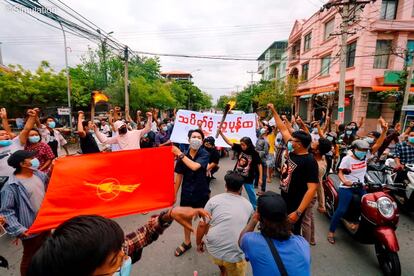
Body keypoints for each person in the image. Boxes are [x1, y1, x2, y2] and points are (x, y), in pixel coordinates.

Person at [27, 207, 211, 276]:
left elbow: (143, 235)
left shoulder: (109, 251)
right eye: (115, 261)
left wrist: (168, 215)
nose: (125, 256)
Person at [327, 120, 387, 244]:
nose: (364, 152)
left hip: (361, 186)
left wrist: (385, 131)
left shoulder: (365, 156)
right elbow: (340, 173)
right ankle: (331, 232)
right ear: (354, 149)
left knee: (368, 206)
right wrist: (345, 181)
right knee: (341, 210)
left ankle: (357, 223)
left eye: (365, 150)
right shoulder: (347, 159)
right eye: (361, 150)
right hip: (347, 187)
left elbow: (379, 145)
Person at [268, 103, 319, 235]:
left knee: (291, 231)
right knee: (282, 228)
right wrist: (274, 110)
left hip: (296, 204)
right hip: (284, 198)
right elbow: (282, 128)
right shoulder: (293, 152)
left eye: (293, 141)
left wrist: (298, 212)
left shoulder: (309, 161)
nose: (290, 142)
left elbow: (312, 189)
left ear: (300, 144)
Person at [0, 150, 50, 275]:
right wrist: (19, 230)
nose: (35, 159)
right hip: (30, 229)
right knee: (30, 255)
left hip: (45, 223)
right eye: (31, 158)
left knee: (46, 249)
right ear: (22, 164)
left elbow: (49, 184)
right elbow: (6, 211)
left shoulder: (38, 174)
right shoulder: (12, 187)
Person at [239, 192, 310, 276]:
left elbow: (241, 241)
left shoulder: (251, 241)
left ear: (259, 216)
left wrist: (254, 218)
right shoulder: (303, 243)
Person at [196, 171, 253, 276]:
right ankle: (225, 271)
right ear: (241, 188)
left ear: (226, 186)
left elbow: (202, 224)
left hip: (214, 249)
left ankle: (223, 271)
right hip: (235, 254)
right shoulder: (248, 206)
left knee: (220, 260)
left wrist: (198, 243)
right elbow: (249, 230)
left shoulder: (213, 200)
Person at [172, 129, 210, 257]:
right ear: (188, 140)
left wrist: (180, 154)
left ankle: (206, 240)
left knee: (204, 219)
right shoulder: (183, 155)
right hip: (187, 193)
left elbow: (195, 166)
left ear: (202, 141)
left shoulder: (204, 154)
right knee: (186, 218)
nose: (196, 139)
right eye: (193, 137)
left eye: (199, 137)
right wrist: (174, 194)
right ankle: (187, 242)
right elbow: (179, 176)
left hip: (202, 192)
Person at [219, 131, 262, 210]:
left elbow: (259, 164)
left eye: (244, 145)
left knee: (251, 193)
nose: (242, 146)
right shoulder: (239, 147)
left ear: (248, 145)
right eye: (241, 144)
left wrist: (260, 178)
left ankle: (255, 208)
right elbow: (229, 142)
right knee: (236, 192)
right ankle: (236, 205)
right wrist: (221, 134)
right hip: (237, 175)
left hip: (248, 177)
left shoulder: (254, 153)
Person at [301, 138, 331, 245]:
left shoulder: (317, 166)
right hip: (309, 194)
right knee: (309, 216)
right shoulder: (321, 157)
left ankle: (305, 244)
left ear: (317, 150)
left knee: (305, 220)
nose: (313, 142)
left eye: (316, 143)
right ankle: (312, 238)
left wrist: (321, 204)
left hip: (308, 195)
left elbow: (319, 185)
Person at [1, 108, 36, 178]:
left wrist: (32, 117)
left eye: (6, 134)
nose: (5, 135)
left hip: (21, 180)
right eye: (2, 135)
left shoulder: (15, 142)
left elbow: (26, 130)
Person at [255, 127, 269, 195]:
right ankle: (256, 185)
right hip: (258, 159)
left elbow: (265, 152)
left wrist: (257, 152)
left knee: (263, 175)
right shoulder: (258, 139)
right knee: (257, 173)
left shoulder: (265, 141)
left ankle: (263, 190)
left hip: (263, 160)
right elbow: (256, 147)